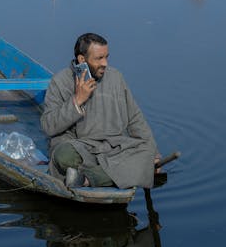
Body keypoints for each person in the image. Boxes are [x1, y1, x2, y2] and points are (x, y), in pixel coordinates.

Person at [41, 33, 159, 189]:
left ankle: (87, 179)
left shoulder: (116, 78)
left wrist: (154, 155)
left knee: (147, 153)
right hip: (80, 149)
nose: (105, 63)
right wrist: (77, 100)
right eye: (99, 58)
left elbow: (135, 118)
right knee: (63, 156)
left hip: (113, 148)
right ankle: (126, 172)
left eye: (106, 57)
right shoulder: (60, 81)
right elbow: (48, 126)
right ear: (82, 59)